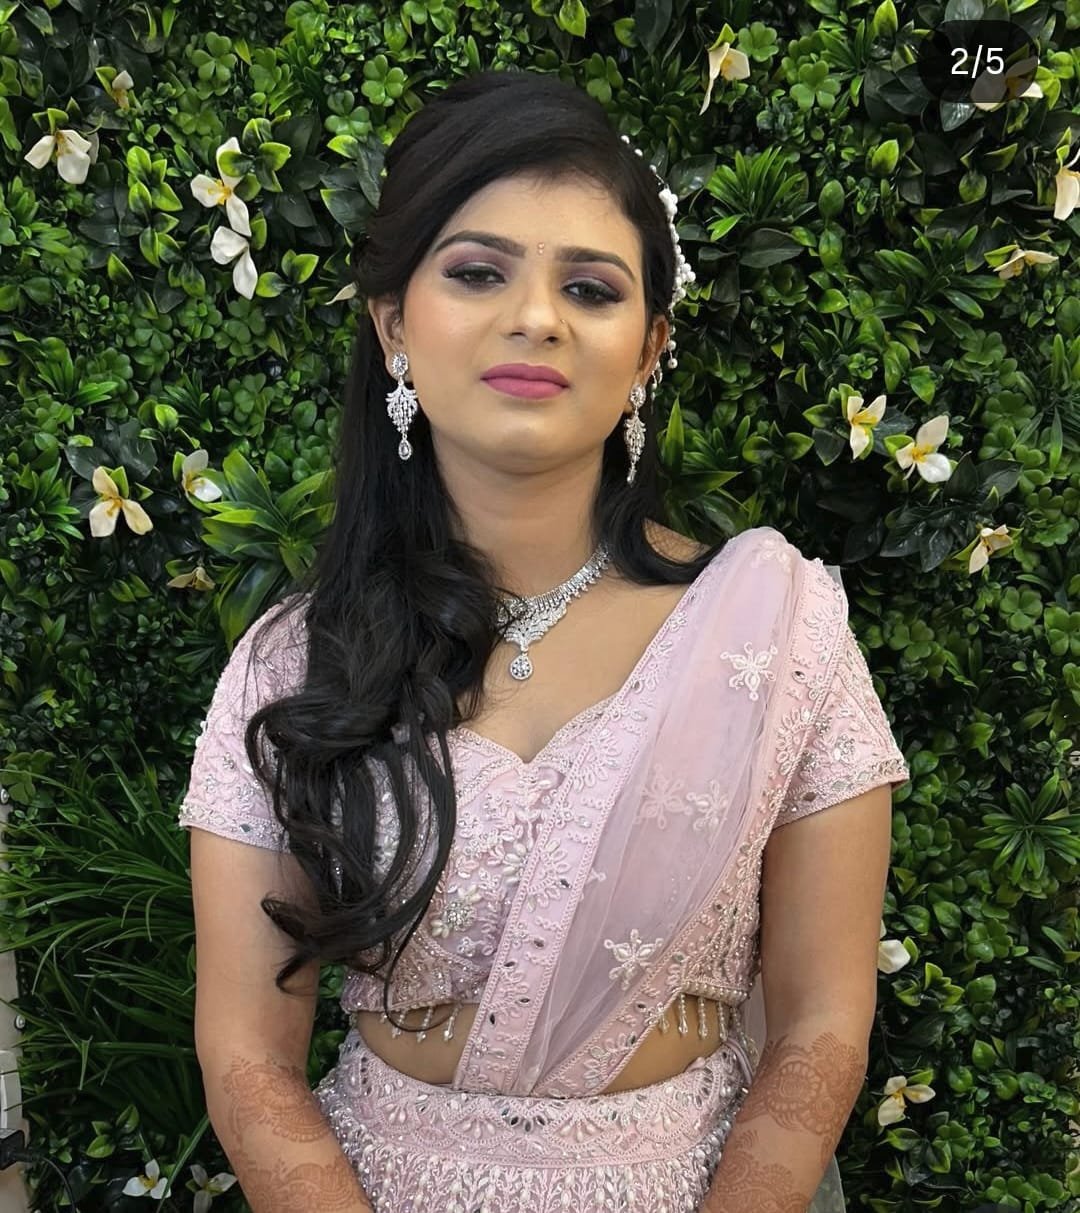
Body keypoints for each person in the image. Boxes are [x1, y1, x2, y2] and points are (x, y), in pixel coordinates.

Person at [178, 68, 911, 1213]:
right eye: (479, 272)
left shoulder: (779, 631)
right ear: (393, 324)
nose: (537, 317)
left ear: (649, 347)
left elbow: (820, 1023)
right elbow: (246, 1054)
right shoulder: (295, 662)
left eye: (590, 287)